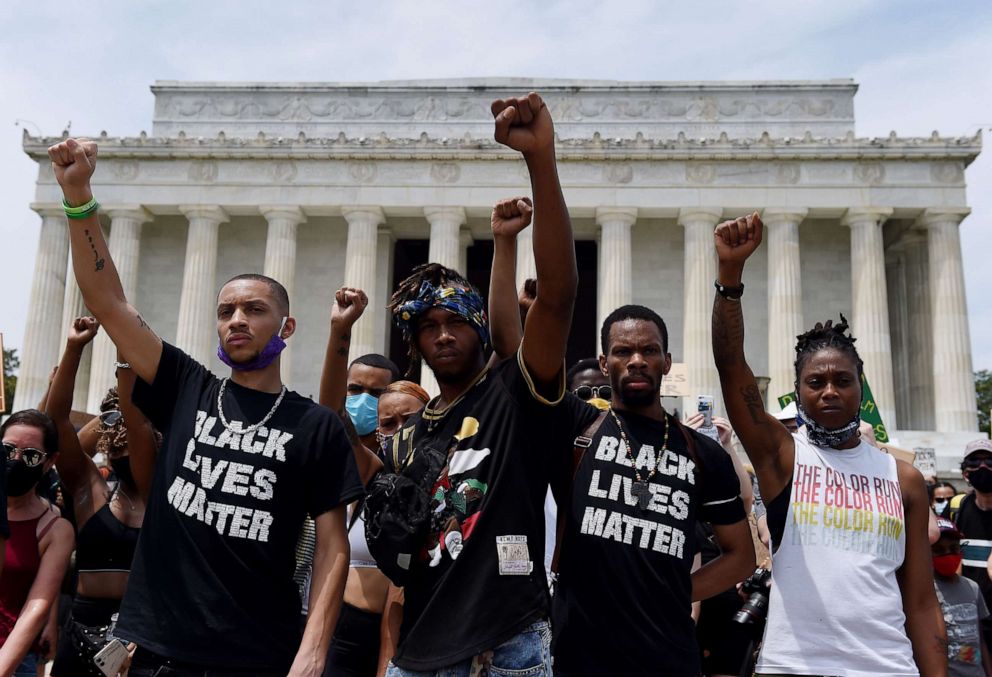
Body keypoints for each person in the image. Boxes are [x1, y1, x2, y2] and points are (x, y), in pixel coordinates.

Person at [48, 136, 366, 676]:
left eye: (254, 309)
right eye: (226, 310)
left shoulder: (314, 425)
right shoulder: (186, 387)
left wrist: (313, 653)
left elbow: (333, 547)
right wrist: (78, 196)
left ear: (286, 327)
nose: (236, 319)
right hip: (154, 650)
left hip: (256, 653)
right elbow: (108, 302)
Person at [374, 91, 578, 675]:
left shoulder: (513, 399)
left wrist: (540, 162)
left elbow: (557, 299)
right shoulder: (406, 435)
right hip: (418, 649)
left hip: (506, 647)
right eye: (429, 327)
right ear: (413, 345)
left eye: (457, 323)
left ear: (479, 331)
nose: (443, 336)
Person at [711, 211, 945, 676]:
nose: (830, 391)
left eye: (843, 379)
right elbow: (731, 365)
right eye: (815, 382)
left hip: (886, 667)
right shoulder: (783, 459)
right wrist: (729, 278)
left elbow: (920, 603)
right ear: (798, 393)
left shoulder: (905, 481)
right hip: (793, 666)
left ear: (861, 386)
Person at [550, 305, 755, 677]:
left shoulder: (702, 453)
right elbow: (527, 365)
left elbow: (741, 557)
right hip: (578, 656)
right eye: (623, 351)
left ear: (667, 361)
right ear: (604, 361)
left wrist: (677, 592)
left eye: (650, 350)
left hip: (668, 656)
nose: (637, 361)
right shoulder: (577, 430)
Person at [45, 317, 157, 676]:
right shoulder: (87, 489)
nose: (121, 431)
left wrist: (132, 377)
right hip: (80, 634)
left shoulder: (175, 495)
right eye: (113, 424)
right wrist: (75, 349)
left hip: (148, 640)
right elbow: (57, 424)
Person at [0, 410, 75, 676]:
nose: (16, 460)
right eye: (8, 450)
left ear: (49, 462)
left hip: (12, 658)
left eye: (30, 455)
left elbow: (37, 606)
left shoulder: (55, 529)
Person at [932, 517, 992, 676]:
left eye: (953, 548)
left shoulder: (972, 587)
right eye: (939, 550)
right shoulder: (925, 593)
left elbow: (980, 639)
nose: (948, 554)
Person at [952, 439, 992, 644]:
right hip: (973, 621)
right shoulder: (961, 510)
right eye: (975, 462)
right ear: (965, 473)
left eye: (990, 461)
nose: (983, 467)